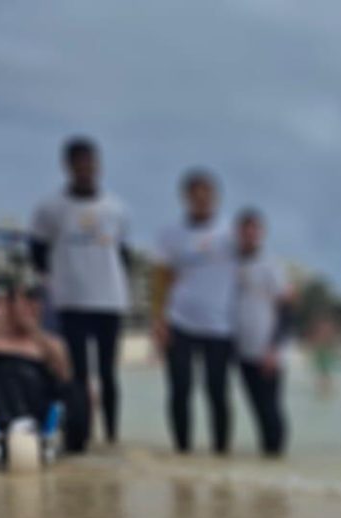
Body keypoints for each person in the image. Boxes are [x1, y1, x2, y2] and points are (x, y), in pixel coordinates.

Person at [30, 136, 132, 451]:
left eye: (91, 162)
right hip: (70, 300)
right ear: (68, 166)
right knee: (77, 373)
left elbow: (124, 255)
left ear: (98, 165)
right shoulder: (50, 208)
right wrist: (55, 279)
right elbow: (37, 249)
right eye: (80, 163)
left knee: (108, 372)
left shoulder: (116, 207)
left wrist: (114, 284)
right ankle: (81, 433)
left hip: (109, 301)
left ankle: (112, 435)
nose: (86, 169)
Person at [152, 169, 236, 454]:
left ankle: (221, 453)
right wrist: (158, 320)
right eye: (195, 195)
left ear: (215, 197)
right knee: (180, 390)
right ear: (185, 197)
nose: (201, 200)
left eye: (206, 195)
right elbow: (161, 279)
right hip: (180, 321)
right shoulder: (170, 235)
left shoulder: (229, 234)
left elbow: (249, 268)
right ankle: (182, 450)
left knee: (217, 393)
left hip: (221, 325)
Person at [0, 279, 72, 438]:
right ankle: (10, 421)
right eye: (23, 304)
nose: (28, 310)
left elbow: (64, 377)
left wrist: (34, 332)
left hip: (35, 389)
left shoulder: (50, 342)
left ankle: (21, 420)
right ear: (10, 307)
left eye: (33, 304)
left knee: (29, 375)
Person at [231, 208, 293, 457]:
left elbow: (287, 309)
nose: (249, 234)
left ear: (261, 233)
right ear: (238, 233)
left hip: (268, 350)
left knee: (271, 409)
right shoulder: (232, 263)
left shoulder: (271, 265)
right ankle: (267, 462)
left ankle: (276, 459)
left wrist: (274, 348)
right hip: (242, 348)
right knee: (255, 409)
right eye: (245, 229)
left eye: (254, 229)